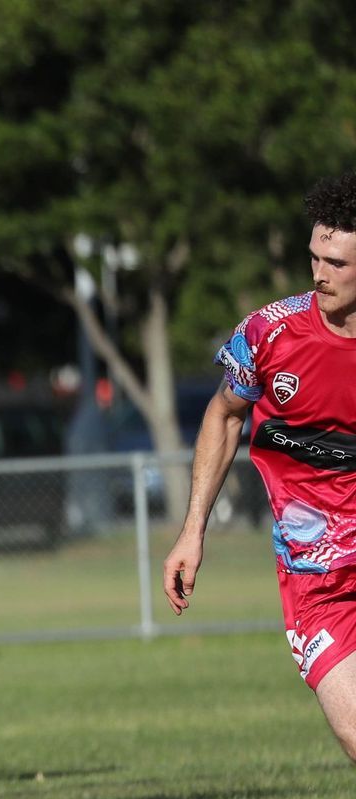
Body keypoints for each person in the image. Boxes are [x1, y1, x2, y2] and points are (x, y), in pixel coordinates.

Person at [166, 171, 356, 758]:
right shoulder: (270, 334)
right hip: (315, 576)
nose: (319, 274)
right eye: (314, 257)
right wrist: (192, 532)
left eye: (337, 263)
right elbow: (223, 417)